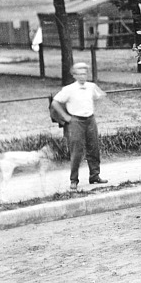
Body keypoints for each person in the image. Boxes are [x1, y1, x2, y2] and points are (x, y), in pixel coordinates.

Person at [51, 62, 107, 191]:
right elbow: (55, 102)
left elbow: (100, 95)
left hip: (90, 120)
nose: (83, 76)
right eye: (79, 74)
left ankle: (94, 176)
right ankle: (74, 180)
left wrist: (100, 94)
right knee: (76, 151)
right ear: (74, 75)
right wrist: (66, 117)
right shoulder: (68, 89)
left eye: (85, 73)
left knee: (94, 148)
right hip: (76, 122)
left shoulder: (91, 86)